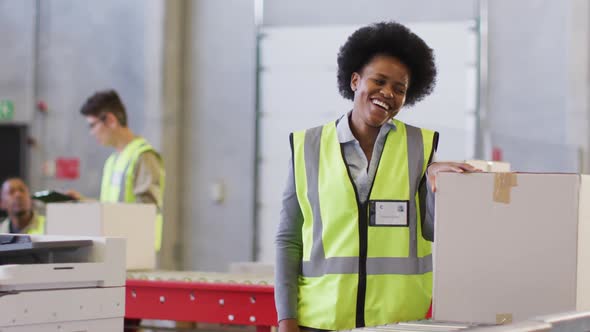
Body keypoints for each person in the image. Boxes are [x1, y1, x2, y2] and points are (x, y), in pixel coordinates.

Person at [275, 22, 478, 332]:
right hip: (321, 321)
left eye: (400, 88)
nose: (388, 93)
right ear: (355, 81)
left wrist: (441, 186)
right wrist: (286, 318)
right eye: (379, 81)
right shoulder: (307, 148)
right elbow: (288, 240)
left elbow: (437, 231)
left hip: (399, 322)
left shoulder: (419, 149)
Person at [67, 90, 165, 251]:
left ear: (111, 120)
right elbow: (112, 207)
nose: (91, 133)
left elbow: (146, 212)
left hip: (137, 251)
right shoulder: (112, 161)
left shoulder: (143, 155)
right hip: (115, 249)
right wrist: (83, 203)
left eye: (93, 125)